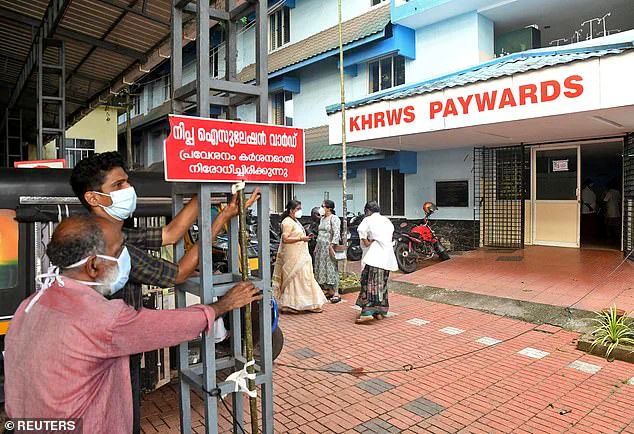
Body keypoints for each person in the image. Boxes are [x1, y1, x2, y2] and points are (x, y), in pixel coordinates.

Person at [4, 216, 261, 433]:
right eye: (119, 252)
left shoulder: (31, 304)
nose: (125, 258)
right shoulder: (102, 318)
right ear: (93, 265)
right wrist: (221, 306)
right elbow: (169, 326)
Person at [70, 151, 259, 434]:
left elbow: (170, 234)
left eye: (127, 182)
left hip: (104, 350)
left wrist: (203, 192)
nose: (128, 189)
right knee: (118, 420)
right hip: (108, 359)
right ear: (93, 198)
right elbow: (178, 273)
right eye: (118, 185)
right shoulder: (110, 249)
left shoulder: (105, 230)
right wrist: (221, 220)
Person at [272, 200, 327, 313]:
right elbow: (285, 239)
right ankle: (289, 305)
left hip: (302, 254)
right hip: (292, 255)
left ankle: (309, 304)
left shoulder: (295, 221)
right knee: (294, 278)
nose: (300, 211)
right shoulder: (287, 222)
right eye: (298, 209)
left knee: (305, 277)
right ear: (291, 210)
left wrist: (305, 237)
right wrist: (301, 238)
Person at [354, 201, 398, 324]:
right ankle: (380, 311)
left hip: (374, 257)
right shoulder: (387, 221)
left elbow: (361, 231)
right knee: (382, 284)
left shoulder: (368, 220)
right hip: (387, 258)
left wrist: (368, 241)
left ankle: (367, 313)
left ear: (368, 211)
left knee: (370, 284)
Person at [314, 200, 342, 303]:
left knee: (332, 268)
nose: (321, 208)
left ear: (329, 208)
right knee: (322, 268)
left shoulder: (334, 218)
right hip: (321, 247)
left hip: (329, 247)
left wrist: (332, 246)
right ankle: (329, 290)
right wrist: (316, 247)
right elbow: (319, 234)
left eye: (323, 206)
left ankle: (336, 292)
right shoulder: (322, 219)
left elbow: (336, 233)